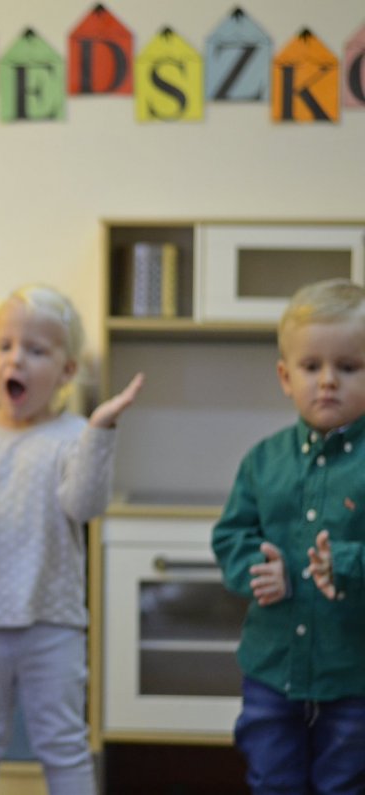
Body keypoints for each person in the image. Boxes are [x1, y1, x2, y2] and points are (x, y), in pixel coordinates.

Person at [0, 284, 144, 795]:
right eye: (5, 346)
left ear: (66, 371)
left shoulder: (75, 435)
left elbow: (85, 506)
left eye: (36, 350)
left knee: (64, 745)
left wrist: (100, 433)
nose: (16, 358)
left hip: (53, 622)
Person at [212, 278, 365, 794]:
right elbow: (231, 535)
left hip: (354, 678)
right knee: (272, 780)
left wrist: (349, 564)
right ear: (285, 376)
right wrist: (259, 568)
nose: (328, 381)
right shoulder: (262, 461)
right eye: (311, 366)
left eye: (348, 367)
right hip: (271, 671)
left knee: (343, 785)